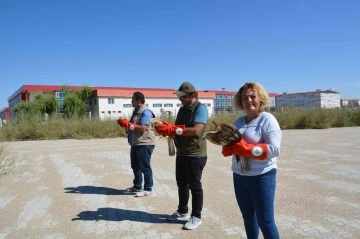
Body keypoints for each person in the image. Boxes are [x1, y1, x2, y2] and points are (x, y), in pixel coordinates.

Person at [222, 82, 281, 239]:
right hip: (239, 177)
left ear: (261, 98)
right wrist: (227, 147)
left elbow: (274, 150)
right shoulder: (238, 122)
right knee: (248, 218)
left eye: (252, 96)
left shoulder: (267, 120)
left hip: (262, 176)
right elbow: (230, 143)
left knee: (266, 222)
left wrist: (246, 149)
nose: (248, 100)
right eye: (244, 97)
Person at [154, 82, 208, 230]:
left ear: (193, 95)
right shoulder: (183, 110)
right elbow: (178, 127)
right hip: (182, 152)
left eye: (183, 97)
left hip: (195, 154)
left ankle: (196, 216)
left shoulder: (200, 109)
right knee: (182, 183)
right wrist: (166, 127)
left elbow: (196, 130)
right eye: (180, 97)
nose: (180, 100)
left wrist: (173, 129)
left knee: (195, 186)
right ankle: (182, 211)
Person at [117, 92, 156, 197]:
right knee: (135, 166)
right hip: (136, 143)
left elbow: (143, 128)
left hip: (145, 143)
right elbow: (133, 125)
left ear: (139, 101)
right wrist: (126, 124)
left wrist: (128, 125)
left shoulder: (146, 112)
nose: (131, 101)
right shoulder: (136, 111)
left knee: (145, 166)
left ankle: (148, 188)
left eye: (133, 99)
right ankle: (137, 186)